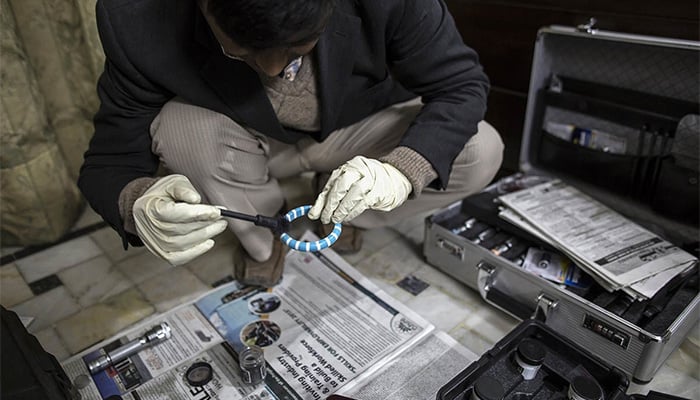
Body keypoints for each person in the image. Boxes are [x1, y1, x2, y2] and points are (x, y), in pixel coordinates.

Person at [78, 0, 504, 288]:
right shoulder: (136, 17)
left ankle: (349, 201)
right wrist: (134, 204)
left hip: (357, 130)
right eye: (242, 50)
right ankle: (265, 229)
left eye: (299, 45)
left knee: (479, 149)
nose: (275, 69)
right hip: (247, 143)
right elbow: (110, 159)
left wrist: (400, 170)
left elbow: (462, 87)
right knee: (177, 126)